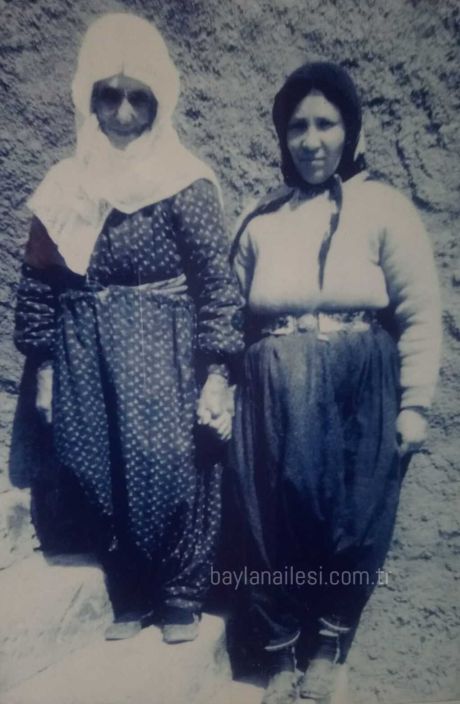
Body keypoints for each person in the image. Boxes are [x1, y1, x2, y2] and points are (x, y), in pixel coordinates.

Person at [14, 13, 243, 644]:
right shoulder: (65, 186)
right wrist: (45, 368)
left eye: (137, 97)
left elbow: (216, 284)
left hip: (163, 347)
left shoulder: (185, 183)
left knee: (171, 462)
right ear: (87, 97)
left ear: (158, 101)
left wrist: (217, 373)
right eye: (108, 95)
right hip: (84, 349)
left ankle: (180, 593)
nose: (122, 113)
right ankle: (130, 593)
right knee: (95, 465)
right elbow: (38, 282)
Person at [230, 62, 441, 703]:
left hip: (359, 383)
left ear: (350, 131)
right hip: (271, 385)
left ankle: (327, 647)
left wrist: (414, 404)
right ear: (283, 135)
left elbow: (419, 311)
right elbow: (229, 314)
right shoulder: (261, 217)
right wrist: (217, 383)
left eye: (326, 124)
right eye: (298, 127)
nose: (312, 141)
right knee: (269, 520)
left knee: (355, 518)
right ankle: (278, 655)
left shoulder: (385, 209)